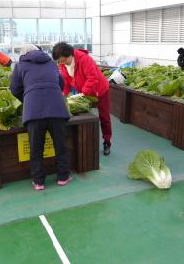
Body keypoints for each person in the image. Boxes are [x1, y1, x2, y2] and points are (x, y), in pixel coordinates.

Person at [10, 44, 71, 191]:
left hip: (33, 111)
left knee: (36, 148)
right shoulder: (51, 63)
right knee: (60, 145)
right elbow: (61, 84)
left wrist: (28, 98)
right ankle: (63, 177)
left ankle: (39, 182)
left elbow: (15, 89)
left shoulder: (19, 66)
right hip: (57, 108)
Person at [52, 42, 112, 156]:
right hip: (84, 92)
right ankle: (86, 144)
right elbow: (66, 80)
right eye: (59, 61)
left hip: (99, 90)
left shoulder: (84, 59)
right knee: (85, 115)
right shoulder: (62, 63)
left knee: (104, 117)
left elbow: (92, 77)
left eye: (63, 60)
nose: (61, 63)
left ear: (70, 54)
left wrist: (84, 92)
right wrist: (63, 94)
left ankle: (107, 142)